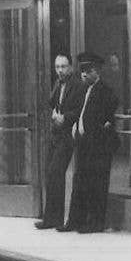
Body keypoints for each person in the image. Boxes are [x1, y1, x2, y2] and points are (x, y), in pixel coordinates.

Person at [63, 52, 120, 234]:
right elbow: (79, 113)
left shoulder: (105, 91)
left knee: (97, 184)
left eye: (88, 71)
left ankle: (95, 223)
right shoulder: (83, 91)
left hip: (98, 146)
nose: (84, 74)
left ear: (97, 72)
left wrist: (98, 129)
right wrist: (76, 127)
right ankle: (75, 221)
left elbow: (106, 117)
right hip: (83, 144)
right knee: (80, 182)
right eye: (82, 71)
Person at [35, 55, 84, 230]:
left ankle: (54, 218)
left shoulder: (78, 85)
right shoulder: (57, 83)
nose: (60, 70)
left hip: (68, 135)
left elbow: (80, 110)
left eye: (63, 67)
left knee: (56, 172)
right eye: (57, 67)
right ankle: (51, 218)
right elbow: (52, 103)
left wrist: (65, 117)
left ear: (70, 67)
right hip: (56, 135)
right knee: (50, 174)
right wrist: (54, 114)